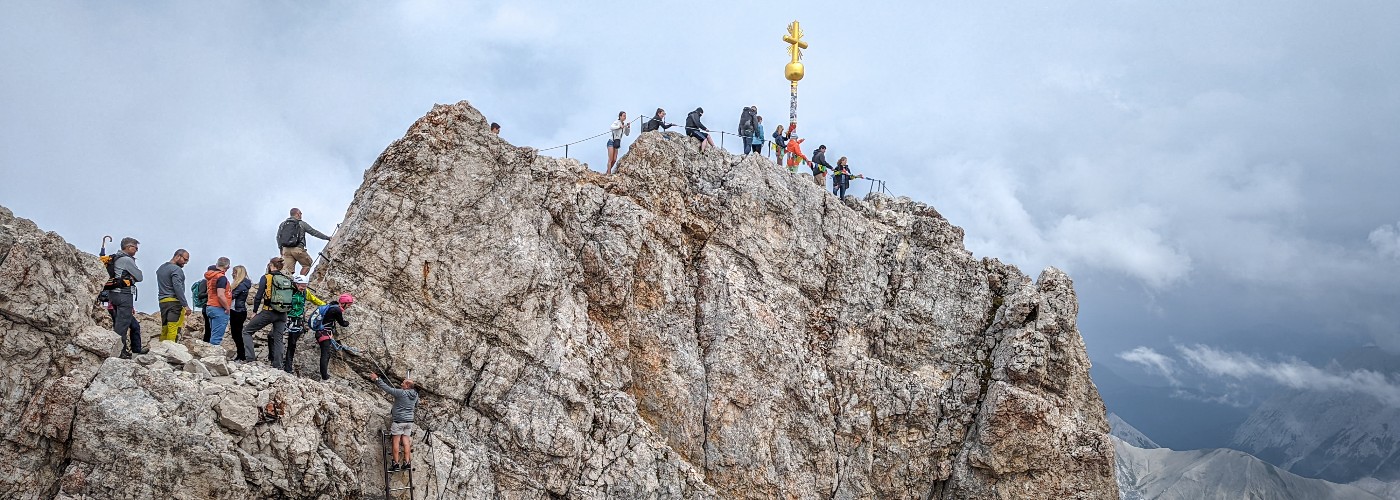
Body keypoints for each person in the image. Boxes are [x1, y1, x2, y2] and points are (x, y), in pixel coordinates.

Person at [240, 257, 294, 365]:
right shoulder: (287, 279)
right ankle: (278, 365)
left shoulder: (266, 277)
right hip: (283, 313)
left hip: (269, 312)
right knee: (278, 339)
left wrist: (254, 311)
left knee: (247, 331)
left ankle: (250, 359)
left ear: (271, 265)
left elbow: (259, 296)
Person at [368, 370, 419, 472]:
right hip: (409, 421)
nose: (401, 384)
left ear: (408, 385)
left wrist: (377, 379)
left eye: (403, 383)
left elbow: (387, 389)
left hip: (399, 421)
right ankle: (407, 462)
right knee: (406, 441)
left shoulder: (401, 393)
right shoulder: (416, 395)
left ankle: (395, 463)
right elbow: (416, 405)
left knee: (395, 441)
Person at [107, 237, 145, 358]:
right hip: (124, 294)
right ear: (128, 247)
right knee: (121, 325)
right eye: (135, 248)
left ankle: (135, 349)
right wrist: (133, 277)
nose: (136, 251)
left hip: (114, 294)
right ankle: (119, 352)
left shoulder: (116, 258)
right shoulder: (127, 260)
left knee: (132, 324)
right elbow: (139, 276)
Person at [282, 274, 326, 374]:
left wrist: (326, 306)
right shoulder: (289, 290)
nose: (303, 287)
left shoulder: (305, 292)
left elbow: (314, 300)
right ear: (295, 283)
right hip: (285, 317)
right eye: (302, 285)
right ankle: (274, 358)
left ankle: (288, 367)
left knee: (292, 343)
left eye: (305, 285)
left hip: (297, 319)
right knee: (273, 336)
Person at [276, 208, 332, 277]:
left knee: (287, 271)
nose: (301, 215)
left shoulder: (283, 224)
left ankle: (288, 285)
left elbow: (278, 237)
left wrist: (280, 249)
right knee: (307, 264)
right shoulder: (301, 223)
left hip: (286, 250)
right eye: (301, 213)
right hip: (298, 249)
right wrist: (327, 238)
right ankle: (299, 282)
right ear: (298, 214)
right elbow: (314, 232)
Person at [311, 294, 353, 381]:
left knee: (327, 354)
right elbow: (342, 323)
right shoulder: (337, 310)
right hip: (324, 333)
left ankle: (324, 374)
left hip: (321, 332)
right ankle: (324, 376)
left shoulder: (332, 306)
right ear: (344, 303)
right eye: (348, 305)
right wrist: (347, 323)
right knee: (325, 354)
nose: (348, 307)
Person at [155, 249, 191, 342]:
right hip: (174, 302)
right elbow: (177, 287)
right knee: (173, 327)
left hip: (163, 301)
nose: (186, 263)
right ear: (177, 256)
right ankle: (170, 352)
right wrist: (185, 305)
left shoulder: (161, 268)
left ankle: (160, 350)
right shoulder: (176, 269)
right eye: (185, 259)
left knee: (165, 327)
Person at [229, 265, 253, 361]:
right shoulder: (243, 284)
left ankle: (241, 355)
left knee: (236, 334)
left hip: (237, 311)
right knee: (237, 333)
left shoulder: (240, 285)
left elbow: (232, 296)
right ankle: (241, 354)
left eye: (234, 272)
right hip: (239, 310)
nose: (232, 274)